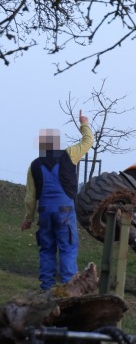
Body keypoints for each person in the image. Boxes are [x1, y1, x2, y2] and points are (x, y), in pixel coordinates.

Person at [22, 110, 94, 291]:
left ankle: (46, 288)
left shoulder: (34, 165)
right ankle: (69, 289)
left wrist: (28, 219)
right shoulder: (69, 154)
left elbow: (30, 196)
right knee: (67, 248)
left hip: (45, 213)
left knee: (46, 249)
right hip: (64, 211)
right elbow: (88, 141)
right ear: (56, 144)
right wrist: (84, 123)